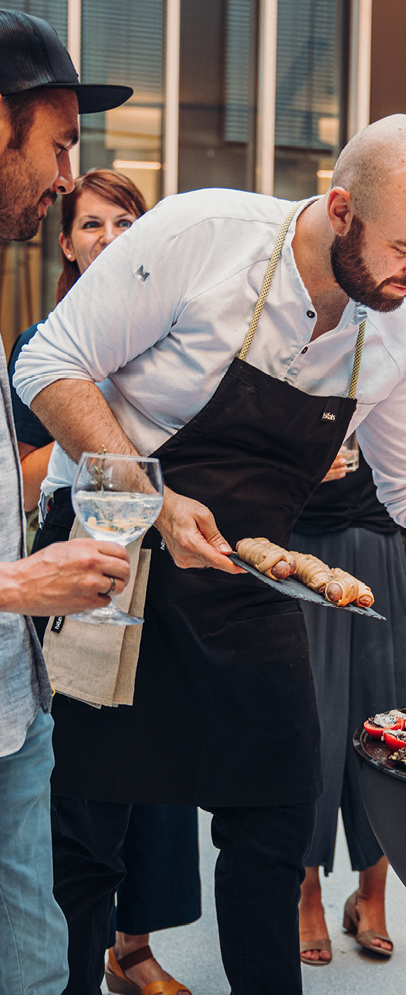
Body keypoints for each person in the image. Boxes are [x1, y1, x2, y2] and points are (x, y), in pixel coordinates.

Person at [14, 112, 406, 995]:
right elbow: (49, 365)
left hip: (248, 572)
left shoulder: (394, 332)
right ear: (339, 209)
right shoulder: (203, 237)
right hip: (111, 560)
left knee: (278, 808)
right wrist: (155, 500)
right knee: (89, 828)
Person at [7, 167, 200, 995]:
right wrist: (95, 426)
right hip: (80, 558)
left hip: (170, 570)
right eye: (93, 225)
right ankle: (90, 958)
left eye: (127, 223)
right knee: (82, 795)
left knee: (155, 788)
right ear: (68, 243)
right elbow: (19, 478)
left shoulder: (173, 342)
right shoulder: (40, 350)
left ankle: (134, 943)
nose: (111, 239)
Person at [0, 9, 132, 995]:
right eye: (55, 146)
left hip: (16, 711)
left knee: (42, 968)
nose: (62, 177)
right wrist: (20, 579)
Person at [292, 448, 406, 964]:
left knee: (390, 725)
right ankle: (307, 898)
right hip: (304, 553)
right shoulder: (284, 364)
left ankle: (372, 897)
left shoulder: (396, 364)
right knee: (310, 724)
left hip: (383, 555)